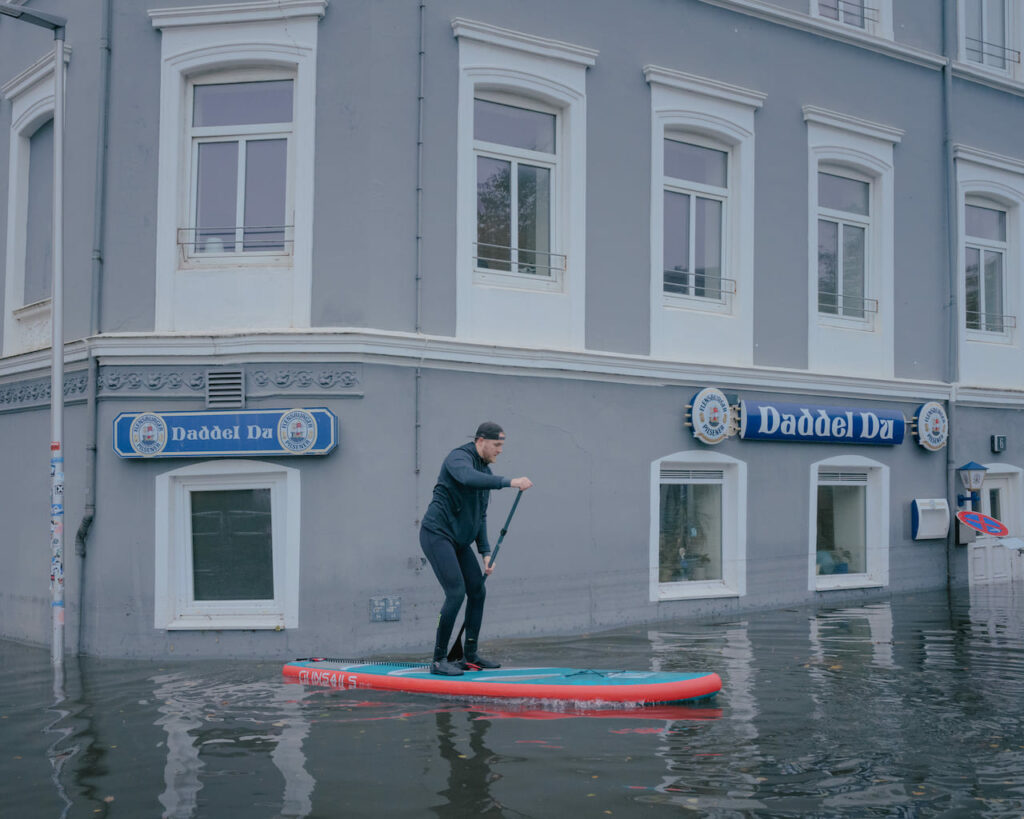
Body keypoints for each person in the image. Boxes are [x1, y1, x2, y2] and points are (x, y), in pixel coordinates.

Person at [420, 422, 533, 676]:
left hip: (459, 540)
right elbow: (467, 478)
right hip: (437, 534)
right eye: (497, 445)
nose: (500, 451)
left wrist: (485, 553)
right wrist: (509, 481)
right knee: (456, 593)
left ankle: (469, 656)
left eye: (502, 445)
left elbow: (480, 516)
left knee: (477, 591)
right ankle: (439, 659)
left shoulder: (483, 469)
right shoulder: (458, 458)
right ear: (480, 441)